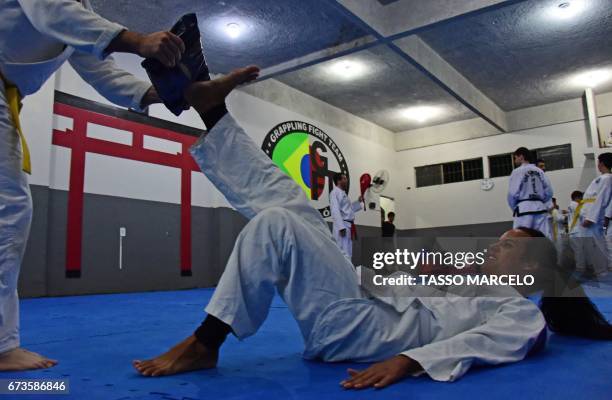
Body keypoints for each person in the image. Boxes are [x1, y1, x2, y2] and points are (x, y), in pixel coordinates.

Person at [133, 75, 558, 387]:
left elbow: (485, 344)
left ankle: (206, 342)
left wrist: (409, 361)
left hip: (358, 331)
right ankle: (213, 110)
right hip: (351, 301)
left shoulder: (521, 313)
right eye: (499, 242)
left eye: (508, 249)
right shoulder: (463, 278)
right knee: (292, 207)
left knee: (278, 222)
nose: (494, 249)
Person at [0, 0, 193, 371]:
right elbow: (53, 11)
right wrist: (138, 41)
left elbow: (103, 72)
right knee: (8, 209)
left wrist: (169, 94)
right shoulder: (67, 12)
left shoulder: (81, 14)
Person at [578, 153, 612, 278]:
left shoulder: (607, 178)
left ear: (601, 163)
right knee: (594, 245)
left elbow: (600, 199)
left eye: (598, 162)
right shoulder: (602, 178)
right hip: (590, 214)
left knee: (597, 245)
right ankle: (600, 270)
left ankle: (602, 271)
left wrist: (590, 218)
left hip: (594, 218)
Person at [507, 147, 554, 239]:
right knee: (543, 237)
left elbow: (512, 194)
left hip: (524, 208)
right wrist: (540, 200)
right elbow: (549, 191)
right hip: (540, 208)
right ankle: (544, 253)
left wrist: (515, 207)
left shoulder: (517, 171)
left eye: (515, 157)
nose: (515, 160)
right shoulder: (539, 171)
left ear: (521, 156)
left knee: (521, 237)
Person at [330, 172, 363, 260]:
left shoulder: (343, 193)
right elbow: (335, 210)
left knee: (348, 251)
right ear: (338, 181)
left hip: (348, 226)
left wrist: (359, 202)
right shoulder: (335, 193)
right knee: (342, 252)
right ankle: (341, 273)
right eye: (344, 178)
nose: (346, 180)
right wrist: (341, 227)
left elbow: (349, 209)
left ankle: (348, 272)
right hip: (343, 226)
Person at [567, 191, 587, 272]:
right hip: (577, 231)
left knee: (577, 250)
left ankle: (580, 267)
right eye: (581, 198)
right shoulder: (575, 204)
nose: (582, 199)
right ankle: (581, 267)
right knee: (579, 250)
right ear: (577, 198)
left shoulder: (570, 205)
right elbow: (583, 214)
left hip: (573, 231)